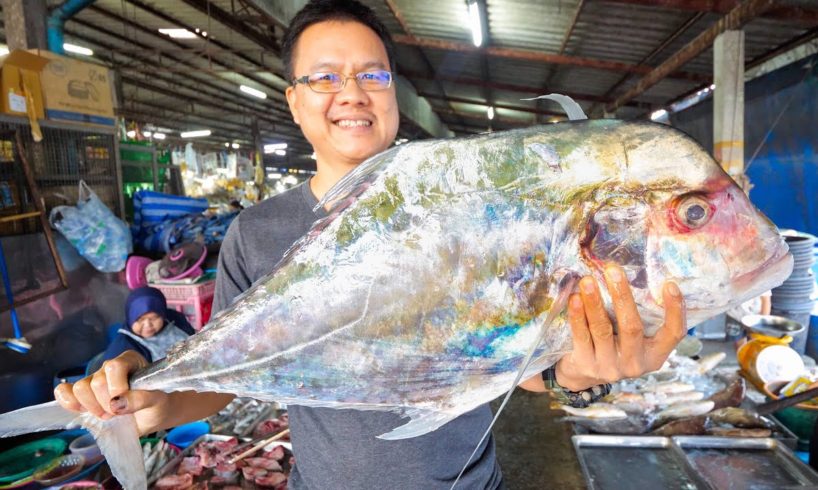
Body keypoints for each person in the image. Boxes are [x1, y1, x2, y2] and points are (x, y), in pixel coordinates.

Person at [53, 1, 686, 487]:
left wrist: (578, 373)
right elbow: (242, 379)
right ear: (295, 102)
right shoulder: (258, 232)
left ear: (391, 95)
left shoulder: (463, 210)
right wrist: (155, 402)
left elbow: (506, 353)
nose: (351, 92)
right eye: (324, 76)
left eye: (371, 75)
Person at [103, 286, 195, 363]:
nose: (148, 325)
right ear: (130, 318)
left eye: (154, 318)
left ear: (163, 314)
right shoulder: (121, 349)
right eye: (139, 319)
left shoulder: (176, 319)